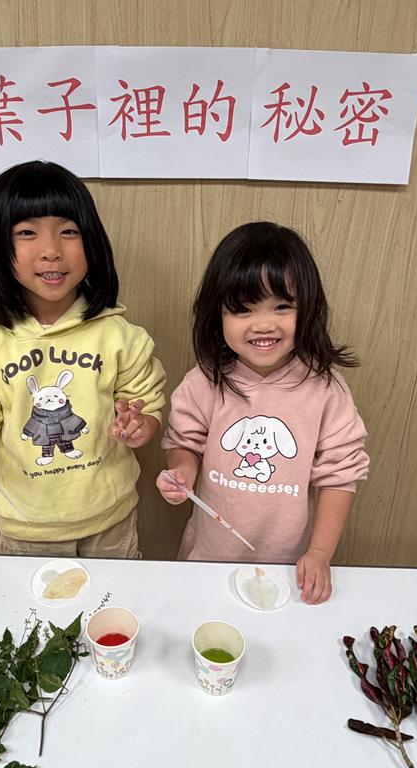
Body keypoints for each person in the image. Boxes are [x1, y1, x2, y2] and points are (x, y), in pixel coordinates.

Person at [0, 160, 166, 558]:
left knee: (114, 598)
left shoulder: (121, 337)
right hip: (26, 522)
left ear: (91, 241)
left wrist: (142, 424)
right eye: (26, 233)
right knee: (33, 603)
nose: (52, 251)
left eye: (68, 231)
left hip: (110, 516)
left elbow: (145, 402)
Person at [157, 221, 369, 604]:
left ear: (308, 307)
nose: (264, 324)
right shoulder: (203, 381)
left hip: (288, 568)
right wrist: (182, 472)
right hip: (208, 561)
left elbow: (340, 475)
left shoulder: (325, 390)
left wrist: (320, 553)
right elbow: (183, 444)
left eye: (282, 306)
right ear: (217, 314)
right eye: (243, 309)